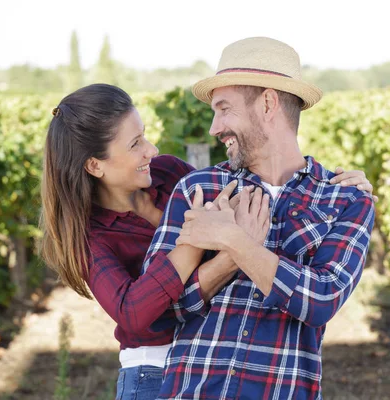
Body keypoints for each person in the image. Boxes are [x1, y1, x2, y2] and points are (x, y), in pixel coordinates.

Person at [38, 84, 375, 399]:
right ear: (95, 165)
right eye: (135, 144)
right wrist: (220, 245)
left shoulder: (171, 175)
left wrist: (344, 189)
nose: (151, 150)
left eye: (144, 137)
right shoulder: (89, 237)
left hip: (197, 355)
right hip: (151, 370)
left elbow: (316, 297)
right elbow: (140, 314)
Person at [141, 37, 376, 400]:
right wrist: (228, 260)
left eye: (224, 109)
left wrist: (233, 240)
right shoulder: (198, 189)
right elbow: (157, 308)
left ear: (268, 103)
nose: (214, 128)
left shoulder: (344, 199)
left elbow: (320, 300)